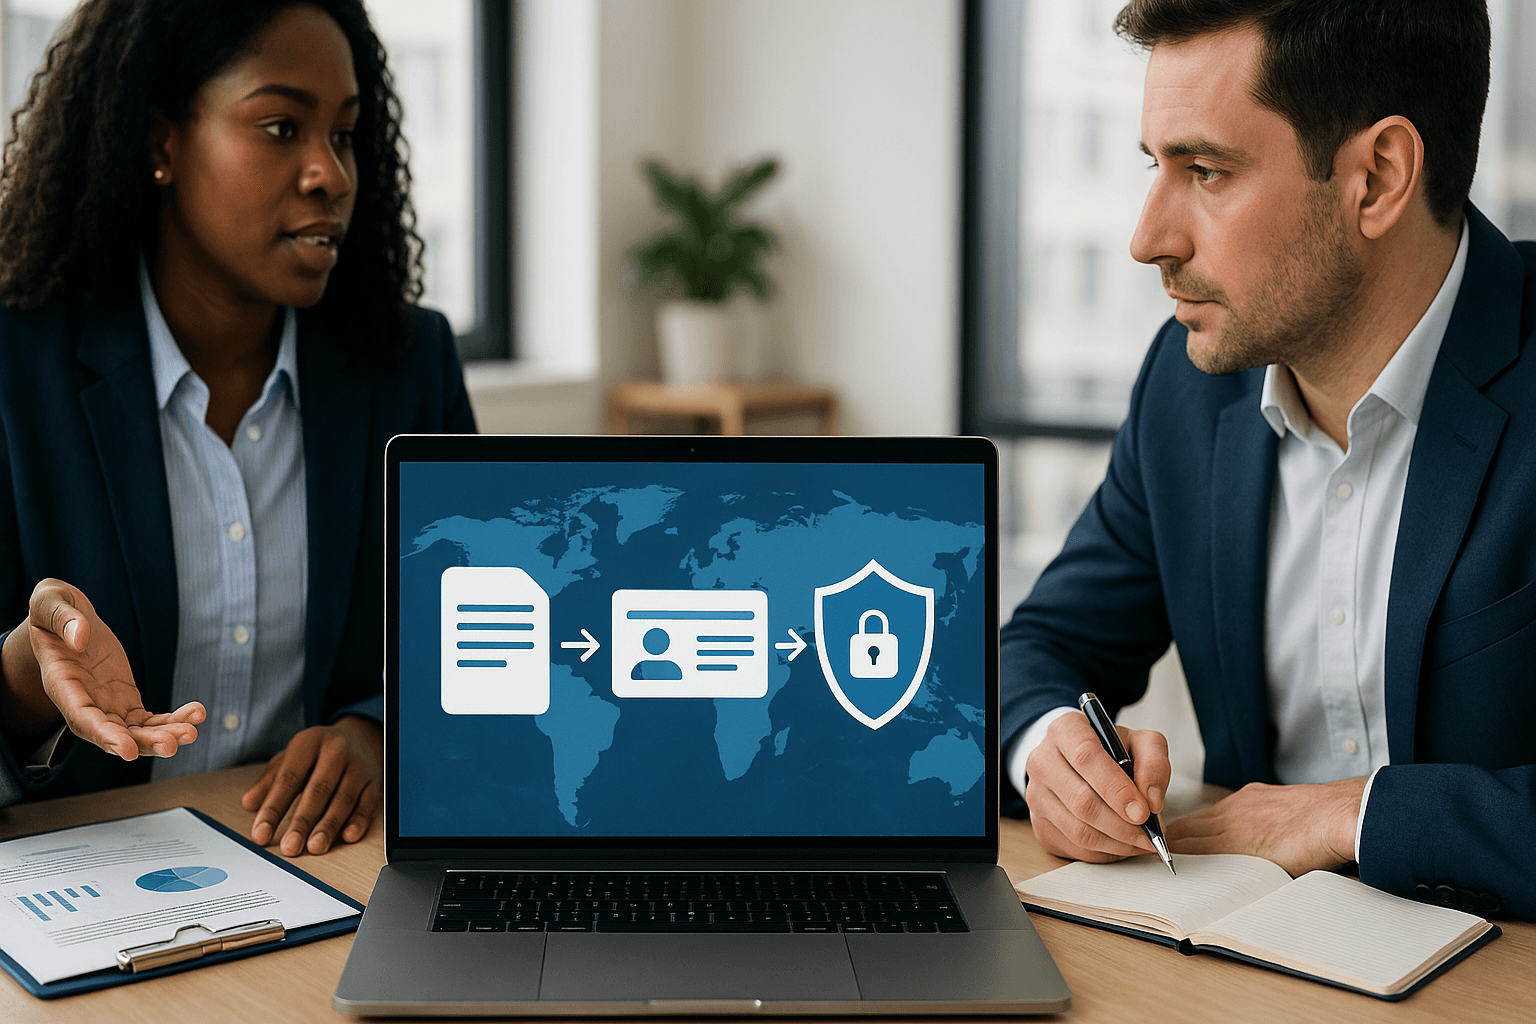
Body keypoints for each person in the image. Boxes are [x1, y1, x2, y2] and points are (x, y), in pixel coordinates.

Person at [1001, 0, 1536, 921]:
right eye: (1153, 166)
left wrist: (1354, 816)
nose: (1146, 239)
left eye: (1206, 171)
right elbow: (1041, 648)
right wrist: (1052, 751)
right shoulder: (1185, 385)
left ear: (1376, 177)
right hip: (1245, 976)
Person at [0, 0, 475, 857]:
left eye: (344, 134)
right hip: (77, 880)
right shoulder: (14, 361)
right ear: (160, 143)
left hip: (322, 864)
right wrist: (30, 674)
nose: (329, 173)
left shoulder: (409, 366)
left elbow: (478, 633)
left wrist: (376, 729)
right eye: (281, 126)